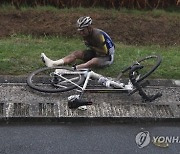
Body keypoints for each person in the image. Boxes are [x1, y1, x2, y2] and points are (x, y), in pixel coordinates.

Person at [41, 16, 115, 69]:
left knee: (93, 61)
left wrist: (92, 47)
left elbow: (105, 52)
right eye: (80, 31)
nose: (81, 33)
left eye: (83, 30)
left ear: (89, 28)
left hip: (107, 57)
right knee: (77, 53)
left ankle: (74, 69)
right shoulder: (86, 34)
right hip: (95, 53)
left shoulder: (98, 35)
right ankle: (54, 63)